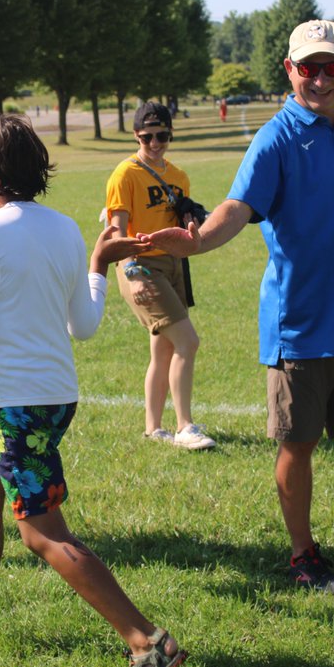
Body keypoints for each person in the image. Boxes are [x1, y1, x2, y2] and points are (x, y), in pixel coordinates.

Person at [0, 114, 187, 667]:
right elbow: (83, 326)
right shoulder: (63, 228)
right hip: (53, 399)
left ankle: (149, 642)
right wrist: (98, 267)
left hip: (18, 405)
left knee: (42, 532)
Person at [139, 20, 334, 595]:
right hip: (302, 321)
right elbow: (237, 208)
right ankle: (301, 553)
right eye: (307, 67)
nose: (319, 78)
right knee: (300, 441)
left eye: (331, 67)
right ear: (289, 70)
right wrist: (196, 241)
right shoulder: (276, 139)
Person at [104, 101, 214, 450]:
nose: (155, 143)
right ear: (136, 135)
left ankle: (154, 428)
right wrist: (130, 270)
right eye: (148, 136)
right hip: (141, 265)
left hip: (173, 265)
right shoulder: (125, 174)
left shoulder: (179, 176)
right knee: (188, 342)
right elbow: (115, 232)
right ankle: (185, 426)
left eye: (162, 135)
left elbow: (180, 228)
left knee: (164, 349)